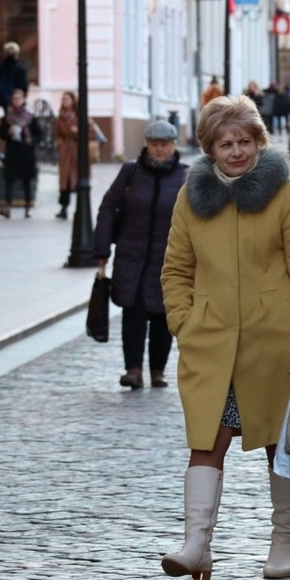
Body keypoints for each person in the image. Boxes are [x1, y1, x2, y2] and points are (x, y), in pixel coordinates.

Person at [159, 95, 290, 580]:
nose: (236, 152)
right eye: (225, 144)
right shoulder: (190, 199)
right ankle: (197, 545)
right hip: (210, 346)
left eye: (244, 142)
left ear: (259, 141)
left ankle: (283, 540)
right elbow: (176, 269)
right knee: (206, 442)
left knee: (280, 446)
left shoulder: (286, 194)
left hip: (274, 345)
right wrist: (184, 322)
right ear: (209, 149)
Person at [93, 119, 189, 390]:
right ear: (146, 144)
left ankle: (158, 371)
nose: (159, 149)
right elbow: (108, 207)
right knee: (133, 314)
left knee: (162, 314)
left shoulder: (185, 176)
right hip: (131, 257)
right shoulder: (131, 172)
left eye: (165, 144)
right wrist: (101, 248)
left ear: (173, 145)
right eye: (154, 144)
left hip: (168, 260)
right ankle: (133, 370)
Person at [52, 90, 99, 219]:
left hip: (79, 153)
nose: (64, 101)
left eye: (67, 99)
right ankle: (63, 208)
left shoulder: (81, 116)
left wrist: (78, 131)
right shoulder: (60, 117)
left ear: (73, 101)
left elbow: (91, 134)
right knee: (65, 182)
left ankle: (80, 209)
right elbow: (57, 135)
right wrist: (60, 143)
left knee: (79, 181)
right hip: (65, 153)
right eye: (63, 99)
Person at [0, 88, 41, 218]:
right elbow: (0, 133)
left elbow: (39, 134)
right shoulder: (8, 116)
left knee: (27, 181)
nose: (16, 101)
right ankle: (7, 206)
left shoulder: (30, 116)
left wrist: (32, 140)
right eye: (14, 99)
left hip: (26, 152)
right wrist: (7, 133)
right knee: (9, 179)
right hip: (12, 151)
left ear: (23, 99)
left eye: (19, 98)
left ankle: (28, 207)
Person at [0, 41, 29, 111]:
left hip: (4, 98)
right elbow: (24, 86)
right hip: (17, 98)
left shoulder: (1, 67)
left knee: (7, 115)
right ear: (17, 53)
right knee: (16, 116)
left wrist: (1, 89)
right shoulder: (20, 68)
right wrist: (23, 96)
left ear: (5, 53)